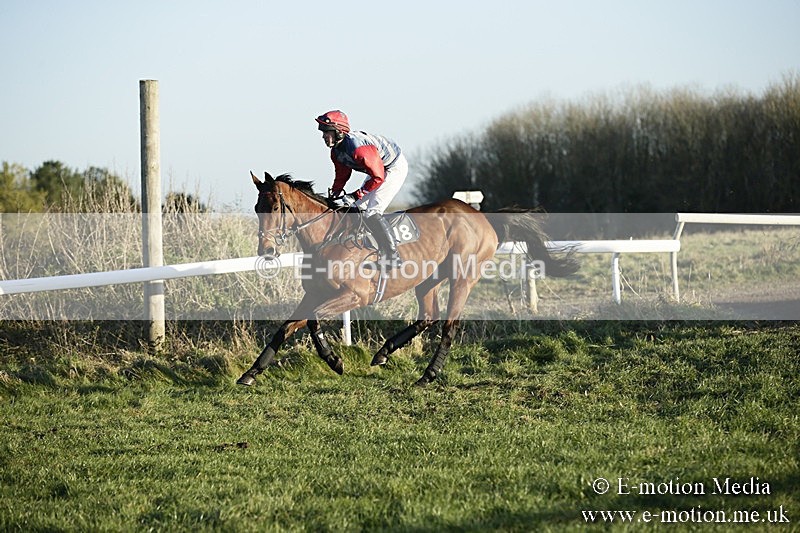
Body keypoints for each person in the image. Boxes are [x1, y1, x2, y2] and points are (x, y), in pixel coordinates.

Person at [316, 110, 407, 267]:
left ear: (338, 132)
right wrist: (335, 193)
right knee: (357, 209)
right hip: (378, 169)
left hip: (392, 167)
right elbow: (342, 174)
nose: (323, 136)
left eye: (326, 132)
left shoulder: (359, 150)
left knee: (372, 211)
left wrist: (357, 194)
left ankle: (393, 257)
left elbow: (378, 177)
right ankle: (368, 247)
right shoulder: (336, 151)